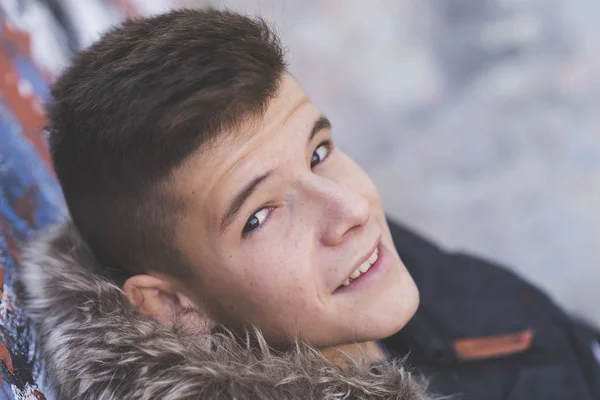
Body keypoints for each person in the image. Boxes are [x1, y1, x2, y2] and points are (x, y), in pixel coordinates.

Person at [18, 8, 600, 399]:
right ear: (172, 307)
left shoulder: (364, 280)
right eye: (260, 215)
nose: (349, 209)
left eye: (318, 153)